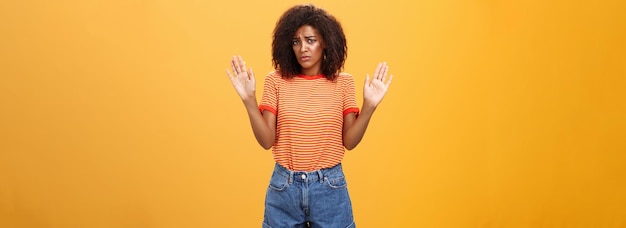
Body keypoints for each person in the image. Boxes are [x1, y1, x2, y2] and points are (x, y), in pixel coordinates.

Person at [226, 4, 392, 228]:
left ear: (325, 42)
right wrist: (248, 100)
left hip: (330, 188)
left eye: (310, 40)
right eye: (296, 41)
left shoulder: (343, 83)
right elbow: (266, 141)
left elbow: (349, 142)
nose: (302, 48)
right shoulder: (276, 81)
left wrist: (370, 105)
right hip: (284, 187)